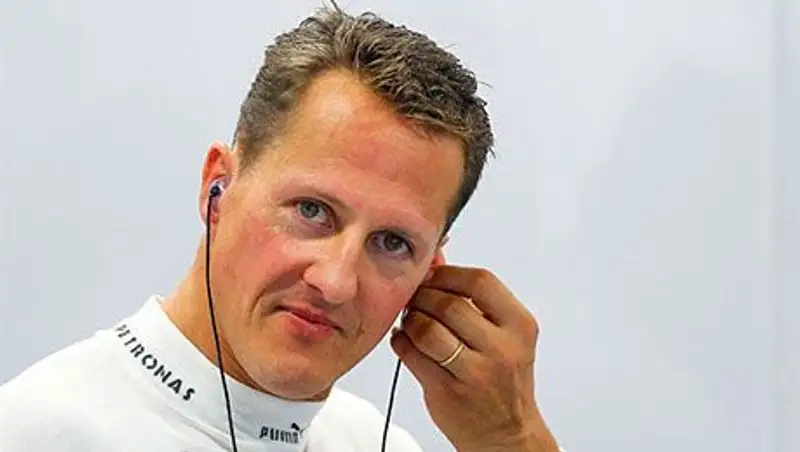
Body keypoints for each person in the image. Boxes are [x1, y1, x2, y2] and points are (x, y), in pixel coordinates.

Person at [0, 4, 561, 452]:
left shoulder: (378, 443)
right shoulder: (37, 433)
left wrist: (513, 441)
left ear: (429, 274)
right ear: (217, 188)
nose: (335, 283)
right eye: (312, 211)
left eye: (392, 243)